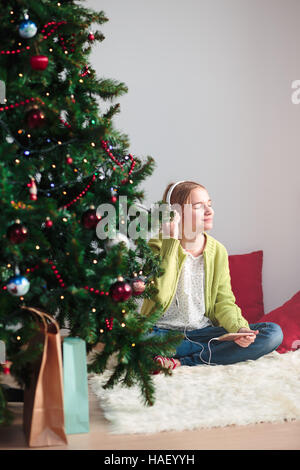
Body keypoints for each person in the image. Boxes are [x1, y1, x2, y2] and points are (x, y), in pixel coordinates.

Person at [140, 180, 283, 371]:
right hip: (161, 333)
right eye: (199, 207)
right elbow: (159, 296)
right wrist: (170, 243)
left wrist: (239, 329)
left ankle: (184, 361)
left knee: (273, 333)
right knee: (138, 339)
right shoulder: (157, 246)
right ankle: (211, 353)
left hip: (203, 332)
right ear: (175, 214)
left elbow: (223, 302)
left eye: (210, 204)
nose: (209, 211)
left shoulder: (218, 251)